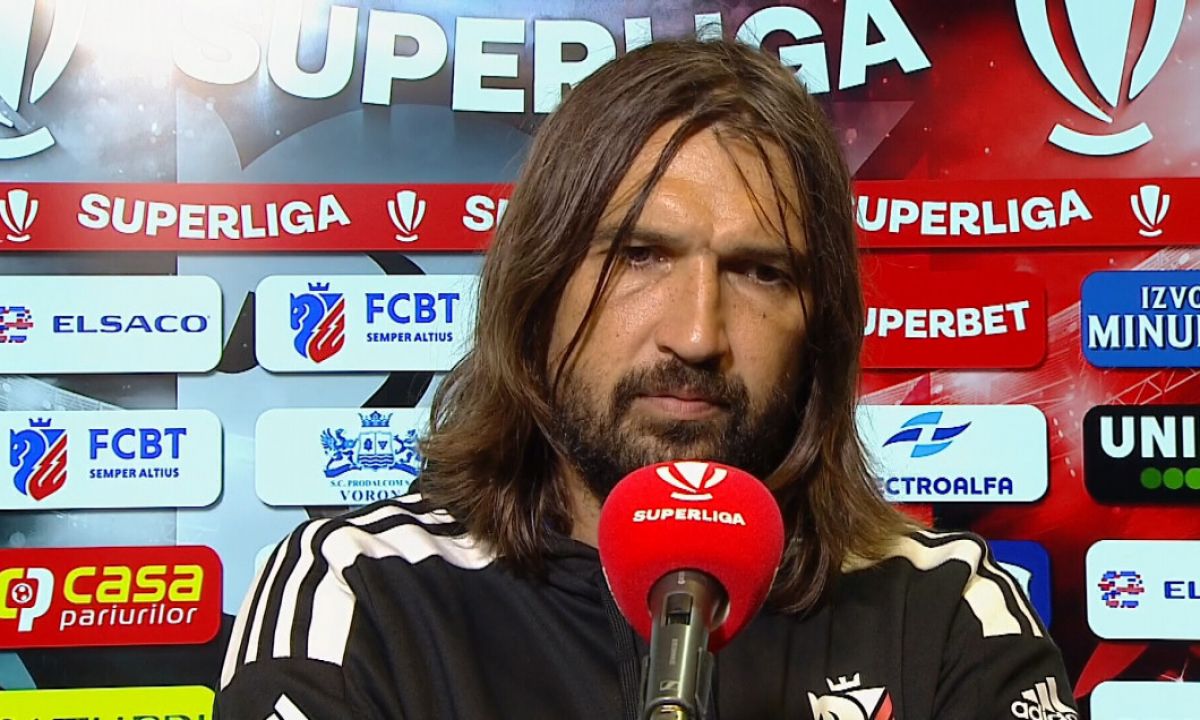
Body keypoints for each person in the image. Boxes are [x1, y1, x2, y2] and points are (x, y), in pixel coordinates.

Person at [216, 38, 1077, 720]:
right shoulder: (362, 590)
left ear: (820, 327)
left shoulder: (944, 606)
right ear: (539, 286)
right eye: (639, 255)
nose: (696, 336)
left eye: (761, 272)